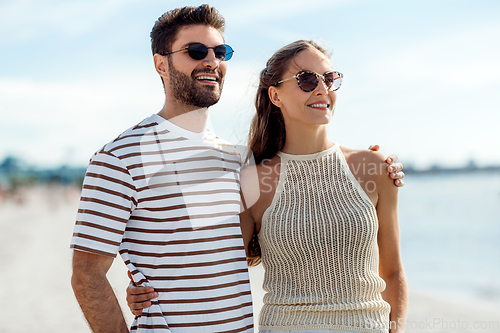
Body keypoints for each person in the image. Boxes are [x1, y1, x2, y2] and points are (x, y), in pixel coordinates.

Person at [71, 5, 405, 333]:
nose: (211, 61)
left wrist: (368, 169)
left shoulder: (237, 161)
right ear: (161, 63)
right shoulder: (120, 157)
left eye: (221, 52)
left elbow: (226, 252)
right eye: (196, 51)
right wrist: (142, 290)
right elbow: (87, 274)